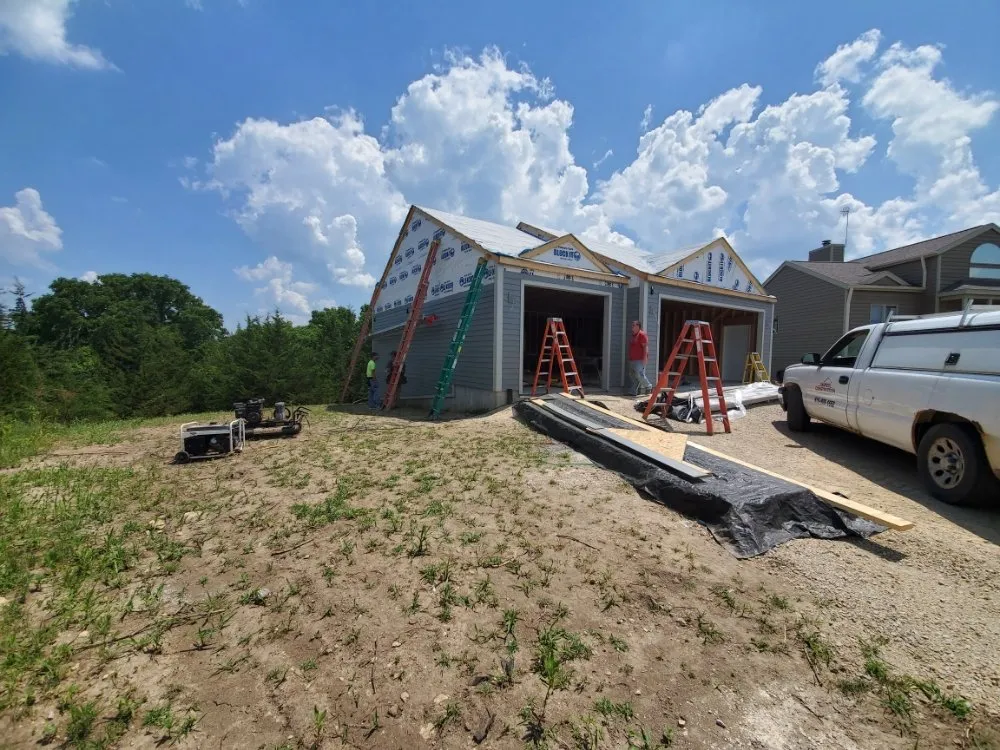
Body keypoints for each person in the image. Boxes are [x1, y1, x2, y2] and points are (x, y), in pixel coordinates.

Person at [628, 320, 652, 396]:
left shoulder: (642, 335)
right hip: (632, 359)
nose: (632, 327)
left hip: (639, 360)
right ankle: (634, 391)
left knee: (639, 374)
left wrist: (645, 358)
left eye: (633, 325)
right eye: (632, 325)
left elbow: (645, 347)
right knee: (632, 375)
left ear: (638, 326)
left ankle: (648, 386)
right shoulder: (633, 335)